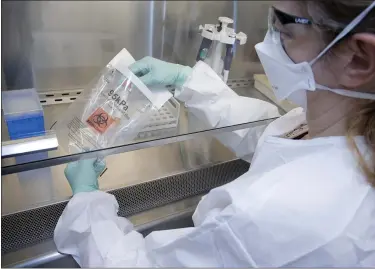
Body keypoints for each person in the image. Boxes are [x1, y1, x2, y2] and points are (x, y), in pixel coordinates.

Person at [54, 1, 375, 267]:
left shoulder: (268, 216)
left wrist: (87, 204)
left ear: (359, 58)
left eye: (283, 27)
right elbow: (277, 134)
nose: (266, 42)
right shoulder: (347, 127)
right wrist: (187, 81)